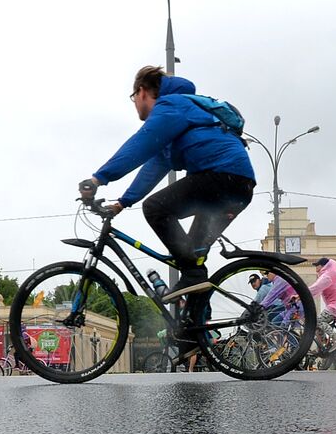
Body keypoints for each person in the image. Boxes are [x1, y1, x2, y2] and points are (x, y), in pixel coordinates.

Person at [77, 65, 256, 298]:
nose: (135, 103)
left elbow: (140, 145)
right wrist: (122, 203)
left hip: (222, 179)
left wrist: (97, 179)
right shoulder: (177, 123)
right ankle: (195, 330)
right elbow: (153, 168)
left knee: (155, 209)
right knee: (191, 258)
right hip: (237, 187)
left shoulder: (173, 105)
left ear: (141, 92)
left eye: (133, 97)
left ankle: (193, 274)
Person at [308, 257, 336, 324]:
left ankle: (333, 335)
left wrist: (300, 295)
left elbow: (316, 287)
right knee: (318, 329)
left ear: (323, 266)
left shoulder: (328, 274)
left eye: (317, 265)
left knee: (317, 323)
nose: (316, 267)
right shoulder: (331, 273)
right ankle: (324, 335)